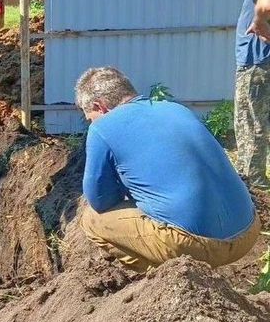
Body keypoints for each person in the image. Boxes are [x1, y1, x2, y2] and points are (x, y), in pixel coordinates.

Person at [76, 67, 260, 273]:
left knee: (91, 220)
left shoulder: (102, 127)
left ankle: (165, 277)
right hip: (249, 229)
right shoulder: (175, 108)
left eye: (89, 116)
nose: (91, 122)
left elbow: (100, 201)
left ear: (98, 106)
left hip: (197, 244)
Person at [226, 0, 270, 189]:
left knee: (249, 125)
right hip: (260, 62)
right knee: (256, 123)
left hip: (255, 64)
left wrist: (259, 21)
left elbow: (265, 3)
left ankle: (254, 191)